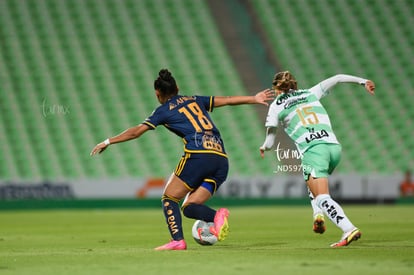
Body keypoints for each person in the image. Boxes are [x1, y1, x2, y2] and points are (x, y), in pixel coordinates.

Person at [90, 69, 274, 250]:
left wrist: (108, 141)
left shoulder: (162, 111)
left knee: (169, 198)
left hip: (199, 156)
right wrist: (253, 98)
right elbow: (226, 100)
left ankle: (177, 240)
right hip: (221, 160)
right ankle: (217, 216)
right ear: (177, 87)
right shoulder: (195, 99)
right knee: (189, 207)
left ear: (157, 93)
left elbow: (136, 132)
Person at [259, 71, 375, 247]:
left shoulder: (276, 106)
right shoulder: (309, 93)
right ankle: (318, 215)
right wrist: (363, 81)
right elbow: (337, 78)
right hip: (334, 148)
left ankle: (348, 228)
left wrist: (264, 147)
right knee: (310, 179)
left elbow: (270, 140)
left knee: (321, 196)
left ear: (276, 87)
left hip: (314, 150)